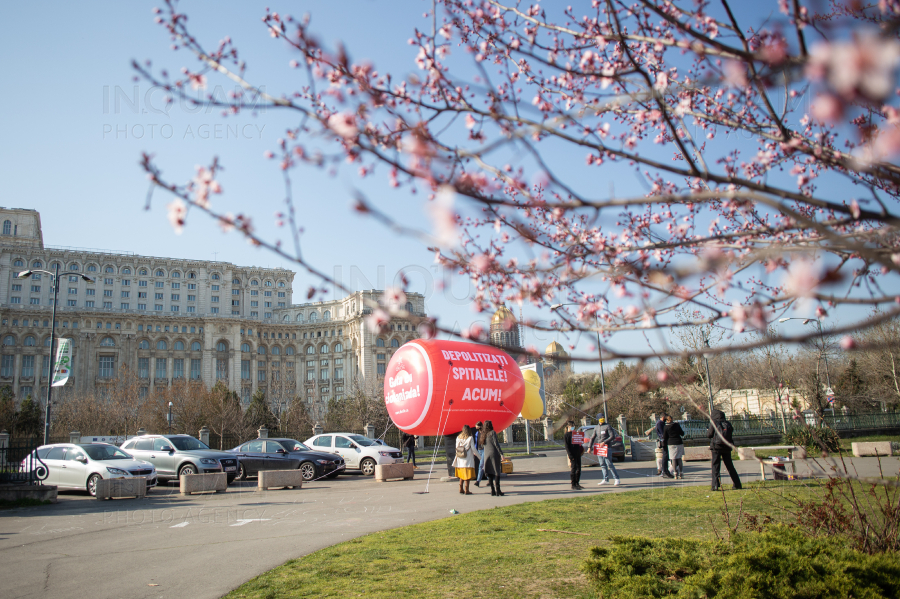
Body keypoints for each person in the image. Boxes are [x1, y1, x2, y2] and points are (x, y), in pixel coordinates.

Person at [708, 409, 742, 491]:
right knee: (730, 466)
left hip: (716, 446)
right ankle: (737, 484)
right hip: (727, 446)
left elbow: (709, 435)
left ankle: (715, 485)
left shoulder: (714, 423)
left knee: (715, 466)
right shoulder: (728, 423)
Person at [589, 417, 620, 486]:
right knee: (602, 464)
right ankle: (605, 479)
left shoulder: (607, 426)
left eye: (603, 417)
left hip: (606, 447)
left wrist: (604, 442)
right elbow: (593, 437)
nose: (602, 419)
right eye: (600, 418)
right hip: (599, 448)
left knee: (609, 464)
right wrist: (589, 447)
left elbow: (612, 436)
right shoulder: (596, 427)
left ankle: (616, 478)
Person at [481, 420, 505, 496]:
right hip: (494, 454)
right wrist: (501, 453)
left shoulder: (483, 434)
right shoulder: (492, 432)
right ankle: (498, 490)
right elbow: (496, 444)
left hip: (486, 455)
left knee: (490, 472)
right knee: (497, 471)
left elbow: (482, 445)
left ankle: (492, 490)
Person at [453, 425, 478, 494]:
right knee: (467, 475)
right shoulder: (470, 438)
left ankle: (460, 488)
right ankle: (467, 490)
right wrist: (479, 456)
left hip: (460, 459)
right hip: (468, 459)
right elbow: (473, 448)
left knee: (462, 474)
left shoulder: (458, 437)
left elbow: (456, 448)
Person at [563, 420, 584, 490]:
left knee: (579, 469)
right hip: (572, 454)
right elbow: (567, 447)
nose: (573, 427)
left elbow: (579, 443)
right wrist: (570, 456)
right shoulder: (567, 435)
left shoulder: (575, 434)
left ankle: (577, 483)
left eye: (574, 426)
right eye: (572, 426)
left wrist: (579, 436)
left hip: (578, 453)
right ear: (568, 426)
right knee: (573, 469)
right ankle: (573, 484)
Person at [662, 415, 685, 479]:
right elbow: (682, 433)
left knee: (673, 458)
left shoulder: (666, 427)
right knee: (679, 458)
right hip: (679, 442)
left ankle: (675, 473)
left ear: (666, 420)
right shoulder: (677, 425)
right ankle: (681, 473)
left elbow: (665, 437)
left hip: (671, 443)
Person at [656, 414, 674, 478]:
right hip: (664, 441)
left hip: (665, 440)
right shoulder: (660, 423)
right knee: (665, 456)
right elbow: (662, 433)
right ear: (663, 417)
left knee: (666, 456)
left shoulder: (661, 423)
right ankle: (665, 471)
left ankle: (666, 471)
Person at [473, 421, 486, 487]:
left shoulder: (484, 433)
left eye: (478, 427)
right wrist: (475, 451)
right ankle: (490, 479)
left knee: (481, 465)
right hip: (479, 450)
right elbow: (476, 442)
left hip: (484, 450)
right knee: (483, 466)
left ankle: (478, 481)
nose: (477, 429)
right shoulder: (477, 433)